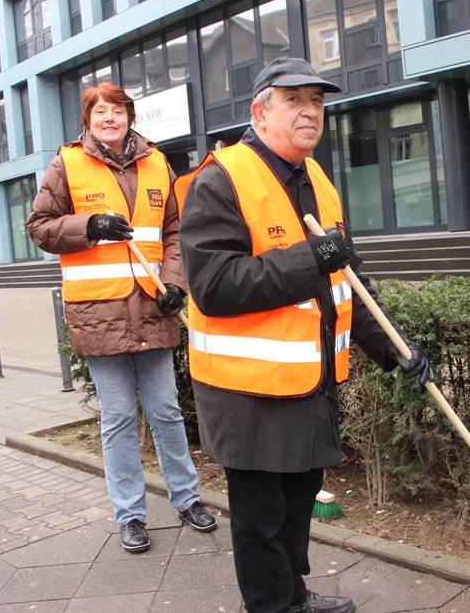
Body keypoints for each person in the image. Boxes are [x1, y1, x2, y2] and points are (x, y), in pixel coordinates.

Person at [175, 58, 434, 613]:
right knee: (260, 519)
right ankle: (271, 605)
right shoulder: (218, 180)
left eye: (316, 101)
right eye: (294, 101)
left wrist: (395, 349)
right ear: (260, 111)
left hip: (308, 385)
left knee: (297, 505)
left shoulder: (316, 180)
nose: (310, 112)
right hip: (246, 392)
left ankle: (293, 595)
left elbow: (348, 285)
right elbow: (214, 286)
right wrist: (307, 258)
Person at [26, 80, 216, 554]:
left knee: (168, 412)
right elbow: (40, 227)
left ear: (130, 116)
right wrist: (89, 227)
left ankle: (187, 498)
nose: (109, 118)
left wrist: (175, 284)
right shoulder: (67, 163)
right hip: (99, 313)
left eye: (117, 110)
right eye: (100, 112)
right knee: (117, 419)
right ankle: (130, 514)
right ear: (87, 120)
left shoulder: (156, 162)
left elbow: (175, 231)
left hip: (152, 307)